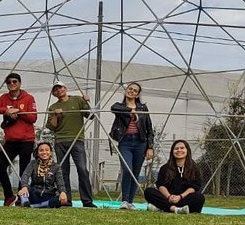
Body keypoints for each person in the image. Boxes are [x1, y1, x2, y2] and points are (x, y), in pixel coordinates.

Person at [0, 72, 37, 206]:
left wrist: (19, 112)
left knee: (24, 170)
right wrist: (6, 110)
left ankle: (22, 197)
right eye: (8, 82)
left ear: (20, 83)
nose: (11, 84)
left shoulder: (29, 98)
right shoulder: (4, 98)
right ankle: (9, 195)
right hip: (11, 140)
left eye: (14, 81)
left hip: (26, 140)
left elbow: (33, 118)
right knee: (0, 166)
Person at [47, 80, 97, 208]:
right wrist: (55, 116)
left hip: (77, 140)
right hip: (60, 141)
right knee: (63, 171)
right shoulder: (53, 107)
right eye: (56, 89)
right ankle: (66, 201)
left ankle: (87, 201)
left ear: (65, 88)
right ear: (53, 93)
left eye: (60, 88)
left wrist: (86, 102)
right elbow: (52, 127)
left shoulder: (78, 100)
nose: (59, 90)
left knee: (82, 169)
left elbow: (90, 116)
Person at [109, 81, 155, 209]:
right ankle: (124, 200)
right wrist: (131, 111)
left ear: (138, 94)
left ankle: (130, 202)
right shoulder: (119, 106)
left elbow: (149, 128)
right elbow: (114, 108)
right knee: (127, 169)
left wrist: (150, 147)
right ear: (126, 90)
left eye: (135, 90)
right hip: (125, 142)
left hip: (140, 142)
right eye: (130, 89)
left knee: (135, 172)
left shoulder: (143, 108)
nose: (132, 91)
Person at [143, 139, 204, 213]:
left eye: (182, 148)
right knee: (149, 191)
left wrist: (180, 196)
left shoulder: (194, 168)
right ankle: (174, 209)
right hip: (168, 198)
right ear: (172, 151)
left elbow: (194, 187)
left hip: (184, 199)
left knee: (199, 197)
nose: (179, 150)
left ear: (187, 150)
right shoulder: (165, 168)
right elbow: (161, 185)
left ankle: (163, 208)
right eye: (176, 148)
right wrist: (169, 196)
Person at [16, 142, 70, 208]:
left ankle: (32, 206)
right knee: (23, 191)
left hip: (49, 195)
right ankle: (27, 201)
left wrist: (62, 192)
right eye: (41, 150)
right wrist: (24, 187)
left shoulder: (56, 166)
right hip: (34, 194)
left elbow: (60, 182)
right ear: (38, 153)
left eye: (47, 150)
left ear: (50, 152)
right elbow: (25, 176)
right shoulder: (33, 163)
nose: (44, 152)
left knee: (60, 200)